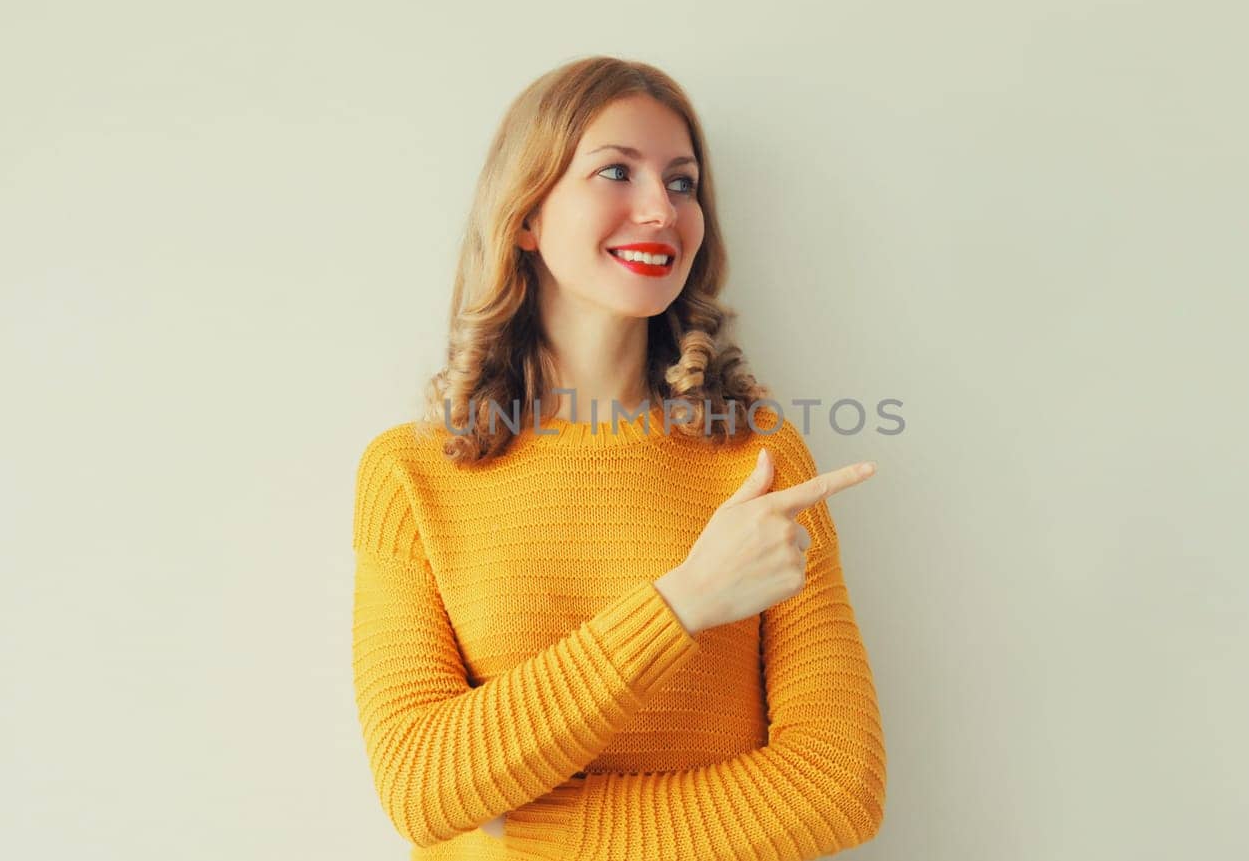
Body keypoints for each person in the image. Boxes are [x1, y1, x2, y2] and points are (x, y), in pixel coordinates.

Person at [351, 55, 886, 860]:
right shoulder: (412, 475)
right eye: (615, 171)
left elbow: (839, 784)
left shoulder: (757, 456)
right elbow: (421, 783)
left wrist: (528, 823)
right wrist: (685, 600)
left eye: (681, 182)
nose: (660, 210)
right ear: (525, 216)